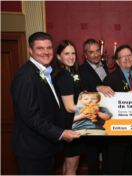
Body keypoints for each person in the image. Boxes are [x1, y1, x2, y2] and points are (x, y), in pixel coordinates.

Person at [10, 32, 80, 176]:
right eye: (40, 48)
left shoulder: (43, 72)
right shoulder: (26, 76)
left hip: (44, 146)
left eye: (48, 48)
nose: (46, 52)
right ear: (30, 50)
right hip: (32, 149)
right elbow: (30, 116)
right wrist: (60, 133)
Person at [79, 38, 115, 176]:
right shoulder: (81, 70)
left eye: (97, 51)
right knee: (92, 153)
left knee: (107, 150)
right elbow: (84, 92)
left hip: (105, 116)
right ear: (85, 55)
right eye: (91, 52)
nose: (95, 55)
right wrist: (97, 88)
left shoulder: (104, 66)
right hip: (91, 118)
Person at [52, 40, 87, 176]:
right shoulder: (65, 77)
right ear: (59, 57)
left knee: (68, 166)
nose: (71, 56)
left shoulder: (64, 74)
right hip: (72, 126)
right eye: (66, 53)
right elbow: (70, 107)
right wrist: (91, 107)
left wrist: (82, 96)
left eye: (73, 53)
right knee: (73, 166)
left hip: (67, 125)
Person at [103, 44, 132, 176]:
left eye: (129, 55)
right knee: (115, 170)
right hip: (117, 136)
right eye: (123, 56)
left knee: (129, 169)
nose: (127, 58)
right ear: (117, 61)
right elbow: (105, 106)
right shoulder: (110, 79)